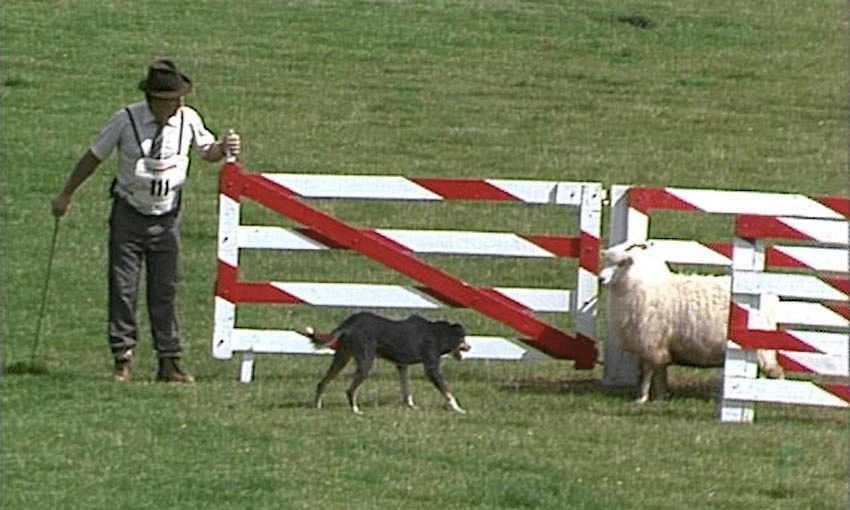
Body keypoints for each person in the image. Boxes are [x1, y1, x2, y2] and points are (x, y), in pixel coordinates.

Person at [52, 59, 241, 382]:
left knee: (165, 290)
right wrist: (67, 193)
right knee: (123, 288)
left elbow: (207, 149)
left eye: (180, 98)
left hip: (167, 217)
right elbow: (94, 156)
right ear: (155, 100)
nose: (179, 104)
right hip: (129, 214)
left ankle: (169, 360)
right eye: (172, 100)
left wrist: (224, 148)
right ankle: (122, 356)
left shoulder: (188, 119)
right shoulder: (125, 120)